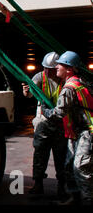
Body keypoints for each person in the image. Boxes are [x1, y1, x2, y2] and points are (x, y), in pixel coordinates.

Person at [41, 51, 93, 205]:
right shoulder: (81, 81)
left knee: (81, 168)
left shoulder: (69, 88)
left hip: (87, 132)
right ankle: (74, 197)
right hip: (76, 132)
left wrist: (45, 110)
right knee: (69, 167)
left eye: (60, 65)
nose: (56, 67)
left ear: (69, 69)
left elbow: (58, 114)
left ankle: (88, 200)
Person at [22, 52, 67, 197]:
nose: (47, 71)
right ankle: (38, 184)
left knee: (61, 155)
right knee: (40, 152)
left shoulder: (64, 79)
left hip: (60, 121)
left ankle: (62, 186)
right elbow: (29, 94)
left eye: (50, 68)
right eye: (45, 68)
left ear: (57, 68)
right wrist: (26, 92)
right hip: (44, 121)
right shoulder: (39, 77)